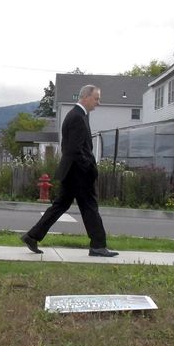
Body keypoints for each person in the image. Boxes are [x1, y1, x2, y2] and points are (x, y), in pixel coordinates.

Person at [21, 84, 118, 257]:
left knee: (60, 206)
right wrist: (90, 169)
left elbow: (74, 149)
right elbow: (75, 150)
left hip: (72, 172)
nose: (98, 102)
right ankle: (98, 245)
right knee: (89, 207)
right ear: (86, 97)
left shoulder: (79, 116)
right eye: (96, 98)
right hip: (78, 173)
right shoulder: (77, 117)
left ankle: (32, 236)